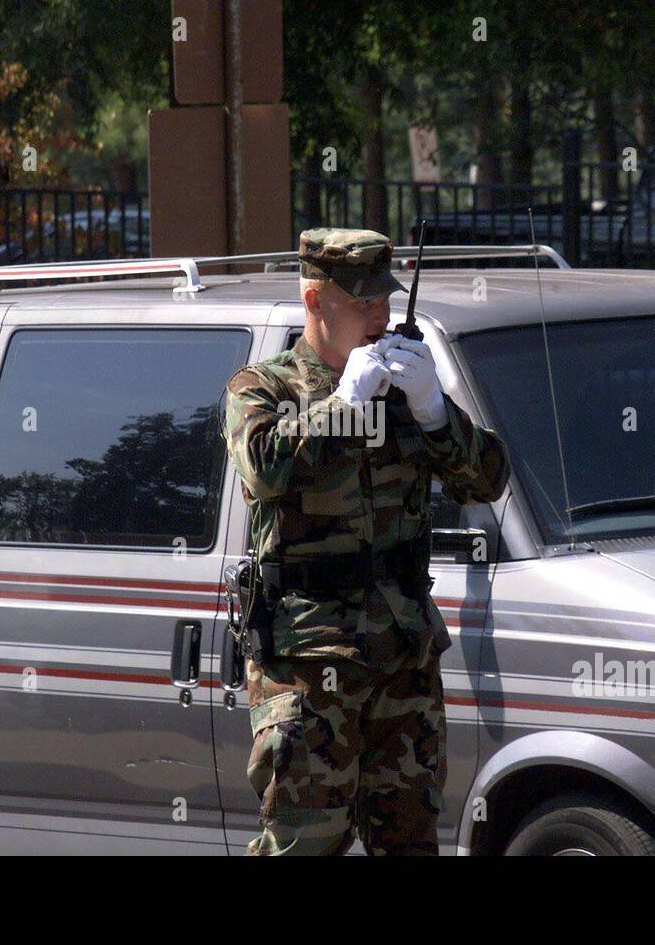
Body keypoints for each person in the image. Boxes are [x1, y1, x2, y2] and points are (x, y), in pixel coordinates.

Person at [222, 227, 510, 855]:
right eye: (361, 301)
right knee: (305, 843)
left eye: (384, 298)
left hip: (402, 655)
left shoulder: (404, 387)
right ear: (314, 302)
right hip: (309, 661)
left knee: (408, 841)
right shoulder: (263, 389)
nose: (379, 313)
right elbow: (264, 469)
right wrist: (344, 405)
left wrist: (437, 412)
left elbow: (488, 480)